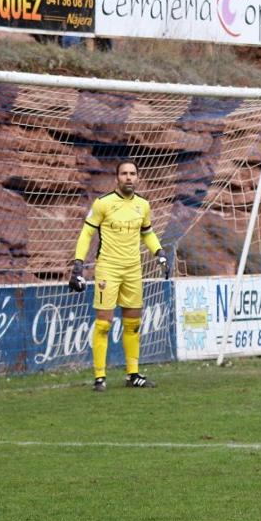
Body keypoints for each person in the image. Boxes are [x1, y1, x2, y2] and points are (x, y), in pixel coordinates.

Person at [69, 160, 169, 391]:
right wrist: (78, 264)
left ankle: (132, 374)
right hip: (108, 268)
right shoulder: (103, 203)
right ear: (117, 178)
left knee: (133, 324)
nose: (128, 177)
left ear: (138, 177)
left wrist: (160, 253)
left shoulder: (143, 205)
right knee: (104, 323)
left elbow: (148, 233)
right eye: (124, 173)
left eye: (132, 173)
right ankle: (100, 377)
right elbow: (86, 234)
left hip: (133, 270)